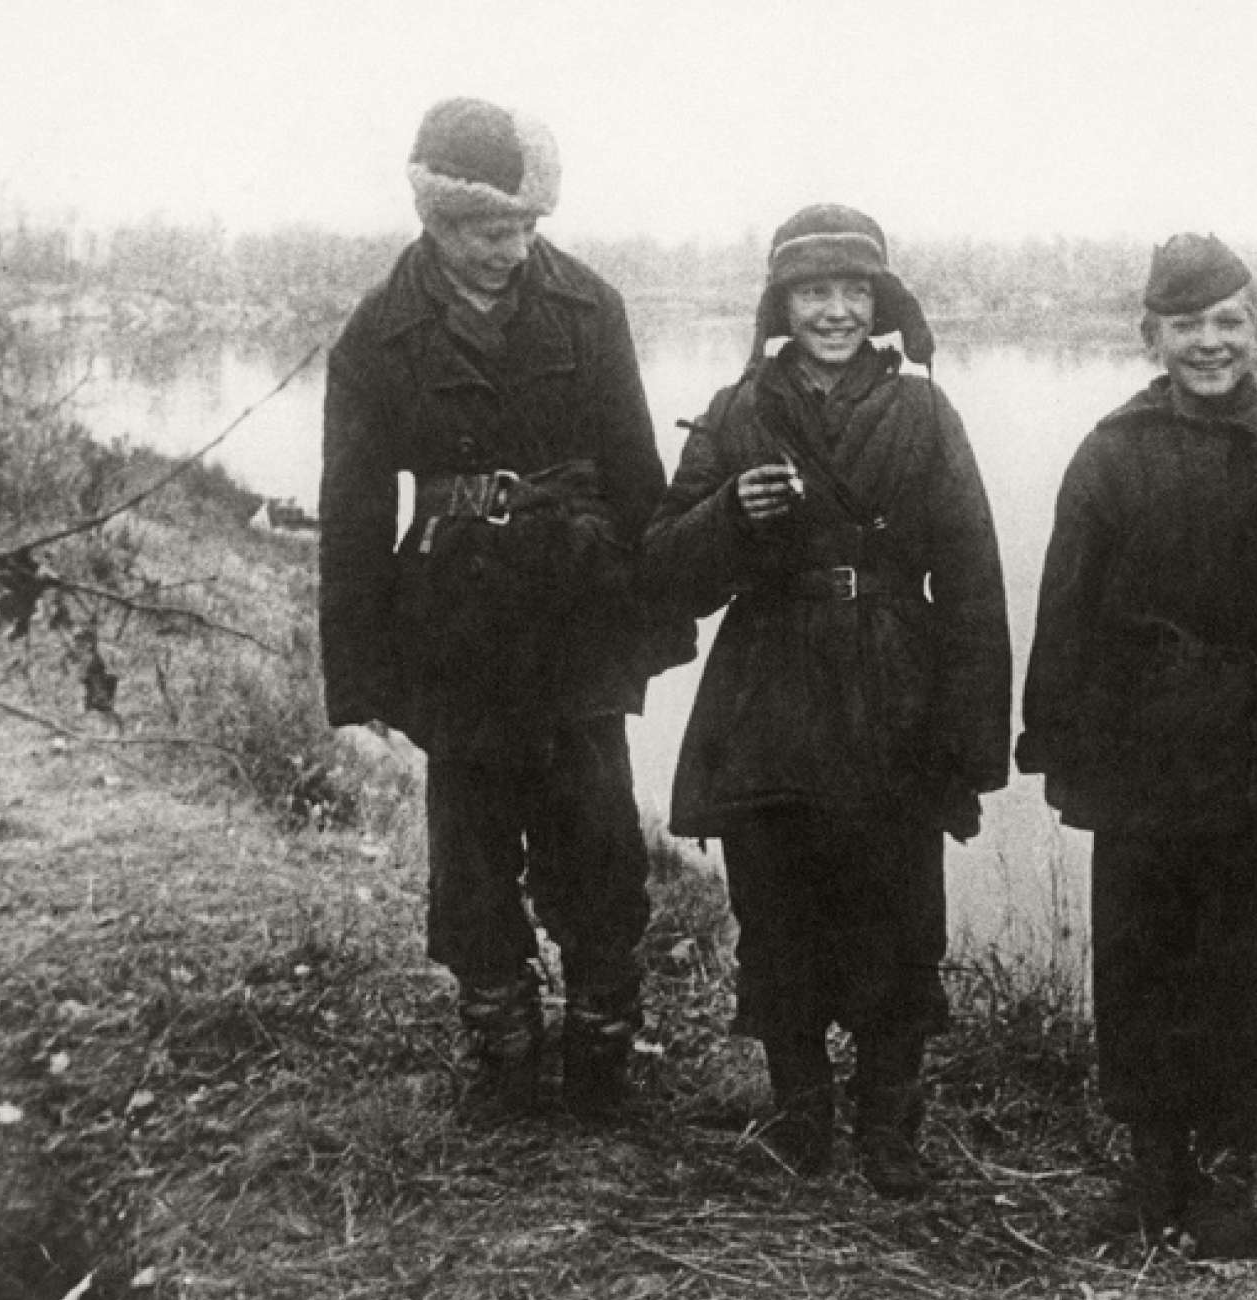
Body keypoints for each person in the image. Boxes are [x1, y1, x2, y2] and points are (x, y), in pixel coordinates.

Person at [318, 97, 686, 1121]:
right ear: (435, 221)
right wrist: (363, 678)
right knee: (473, 863)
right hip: (454, 628)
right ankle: (505, 1058)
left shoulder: (590, 306)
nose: (514, 251)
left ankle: (604, 1056)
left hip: (577, 611)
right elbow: (351, 517)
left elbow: (635, 470)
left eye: (528, 228)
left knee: (602, 852)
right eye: (490, 232)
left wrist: (650, 623)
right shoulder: (377, 333)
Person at [1017, 234, 1257, 1257]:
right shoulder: (1110, 451)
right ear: (1152, 335)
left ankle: (1228, 1174)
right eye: (1188, 325)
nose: (1210, 343)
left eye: (1229, 322)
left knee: (1246, 963)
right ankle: (1151, 1167)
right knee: (1138, 955)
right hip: (1135, 745)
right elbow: (1066, 605)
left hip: (1255, 745)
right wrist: (1058, 744)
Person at [643, 204, 1011, 1198]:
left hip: (896, 690)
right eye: (815, 293)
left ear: (882, 303)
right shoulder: (735, 410)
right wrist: (730, 515)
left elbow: (973, 579)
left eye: (855, 292)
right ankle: (800, 1113)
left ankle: (890, 1124)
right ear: (782, 304)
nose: (836, 312)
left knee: (900, 910)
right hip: (769, 691)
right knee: (777, 904)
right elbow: (665, 574)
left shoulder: (926, 414)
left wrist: (976, 744)